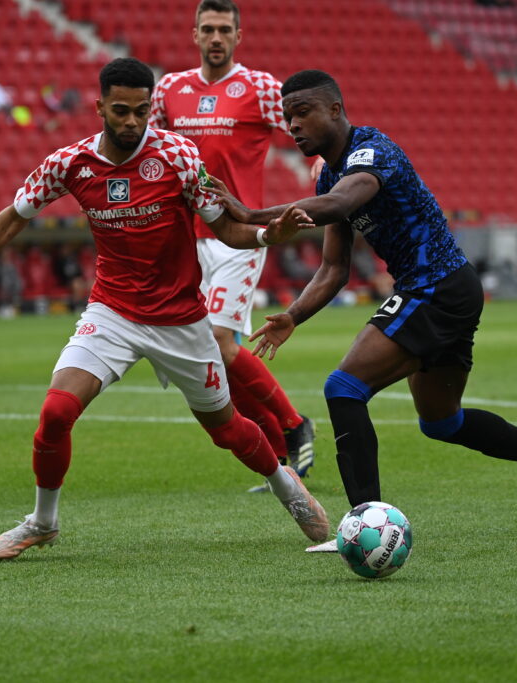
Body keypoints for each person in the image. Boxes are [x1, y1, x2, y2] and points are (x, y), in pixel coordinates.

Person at [0, 58, 329, 560]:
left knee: (226, 431)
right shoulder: (69, 163)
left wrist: (267, 234)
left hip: (180, 320)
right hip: (111, 312)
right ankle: (43, 522)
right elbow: (12, 217)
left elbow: (225, 228)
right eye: (120, 111)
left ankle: (287, 487)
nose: (131, 122)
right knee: (55, 412)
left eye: (140, 111)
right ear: (99, 108)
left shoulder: (177, 154)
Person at [204, 70, 517, 552]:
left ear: (335, 111)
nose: (293, 125)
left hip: (438, 285)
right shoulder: (326, 174)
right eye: (287, 117)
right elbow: (334, 268)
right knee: (442, 422)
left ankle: (363, 524)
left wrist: (248, 213)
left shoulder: (370, 152)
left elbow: (341, 202)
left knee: (343, 388)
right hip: (442, 290)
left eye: (303, 113)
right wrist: (293, 316)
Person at [149, 0, 316, 491]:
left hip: (239, 235)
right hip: (186, 238)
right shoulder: (170, 90)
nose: (216, 37)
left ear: (238, 35)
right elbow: (150, 149)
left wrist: (321, 161)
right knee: (212, 354)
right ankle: (282, 458)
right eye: (208, 29)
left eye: (224, 29)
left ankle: (293, 422)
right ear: (195, 34)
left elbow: (304, 124)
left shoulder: (261, 87)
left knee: (221, 343)